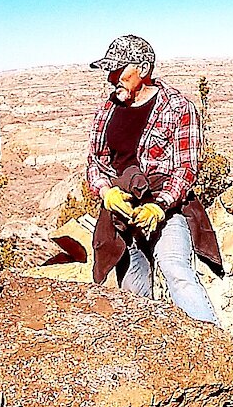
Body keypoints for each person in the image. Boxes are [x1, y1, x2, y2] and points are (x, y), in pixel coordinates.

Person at [85, 34, 224, 326]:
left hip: (166, 209)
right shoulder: (107, 111)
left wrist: (160, 205)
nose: (111, 78)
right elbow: (95, 161)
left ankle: (213, 344)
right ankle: (150, 355)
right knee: (134, 293)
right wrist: (106, 192)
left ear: (144, 69)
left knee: (177, 271)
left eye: (119, 71)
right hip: (122, 213)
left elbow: (187, 168)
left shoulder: (178, 108)